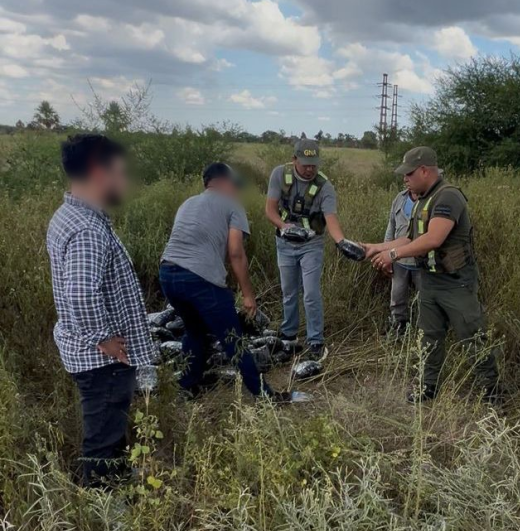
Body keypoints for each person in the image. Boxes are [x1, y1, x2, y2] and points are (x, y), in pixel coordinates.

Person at [47, 134, 156, 487]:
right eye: (120, 172)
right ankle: (104, 503)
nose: (124, 181)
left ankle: (117, 478)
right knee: (104, 436)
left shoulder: (72, 216)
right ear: (98, 172)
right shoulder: (87, 230)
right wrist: (105, 339)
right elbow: (80, 294)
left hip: (93, 355)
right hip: (102, 360)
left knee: (109, 422)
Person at [364, 147, 499, 403]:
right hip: (431, 280)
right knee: (430, 337)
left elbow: (434, 239)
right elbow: (411, 238)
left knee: (473, 336)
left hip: (456, 283)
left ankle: (490, 391)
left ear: (425, 170)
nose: (405, 179)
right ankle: (429, 387)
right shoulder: (421, 200)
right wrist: (376, 247)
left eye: (409, 173)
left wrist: (392, 255)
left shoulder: (448, 197)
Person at [160, 162, 289, 402]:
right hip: (200, 278)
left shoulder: (188, 203)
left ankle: (187, 387)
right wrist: (248, 294)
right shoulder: (232, 205)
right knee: (233, 339)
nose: (237, 190)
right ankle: (265, 397)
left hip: (168, 274)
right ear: (222, 183)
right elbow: (236, 253)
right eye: (235, 185)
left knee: (194, 329)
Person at [265, 139, 347, 361]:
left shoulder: (325, 186)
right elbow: (270, 210)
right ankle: (289, 337)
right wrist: (284, 227)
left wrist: (341, 242)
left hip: (311, 245)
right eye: (305, 164)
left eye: (314, 164)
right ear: (294, 160)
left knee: (310, 293)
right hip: (284, 243)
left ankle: (315, 342)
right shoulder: (280, 175)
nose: (310, 169)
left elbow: (331, 218)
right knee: (289, 291)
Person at [384, 185, 420, 334]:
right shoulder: (400, 198)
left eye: (411, 174)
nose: (407, 179)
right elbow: (391, 227)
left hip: (421, 261)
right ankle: (398, 327)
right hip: (399, 260)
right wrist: (387, 254)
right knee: (397, 296)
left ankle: (424, 331)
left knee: (426, 298)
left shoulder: (431, 199)